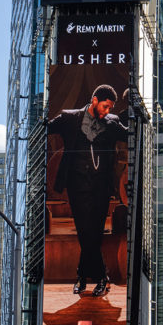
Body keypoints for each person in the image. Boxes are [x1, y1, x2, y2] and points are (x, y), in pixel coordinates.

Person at [47, 84, 127, 296]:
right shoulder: (69, 118)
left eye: (110, 108)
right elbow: (46, 127)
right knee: (85, 232)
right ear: (94, 101)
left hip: (100, 188)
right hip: (77, 186)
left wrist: (137, 114)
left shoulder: (112, 123)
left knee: (94, 234)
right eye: (105, 106)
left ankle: (82, 276)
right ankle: (101, 277)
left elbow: (130, 135)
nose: (107, 111)